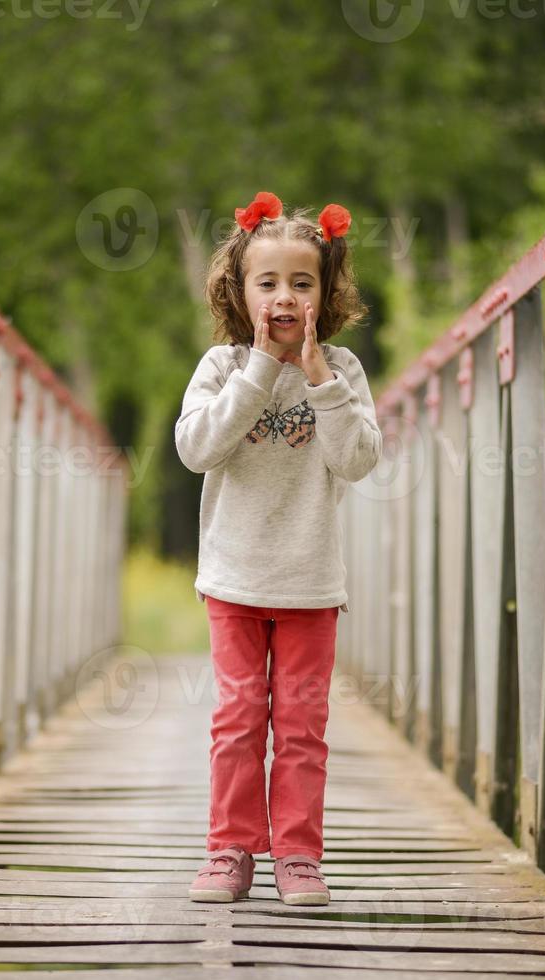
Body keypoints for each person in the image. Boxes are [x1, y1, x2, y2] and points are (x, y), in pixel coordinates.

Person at [174, 191, 382, 906]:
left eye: (302, 282)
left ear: (325, 295)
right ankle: (229, 849)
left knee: (300, 728)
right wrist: (260, 368)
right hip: (234, 578)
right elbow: (197, 448)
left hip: (309, 584)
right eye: (268, 283)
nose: (284, 296)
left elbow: (357, 460)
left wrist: (319, 380)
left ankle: (297, 855)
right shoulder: (221, 366)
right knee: (237, 721)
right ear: (240, 292)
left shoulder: (343, 373)